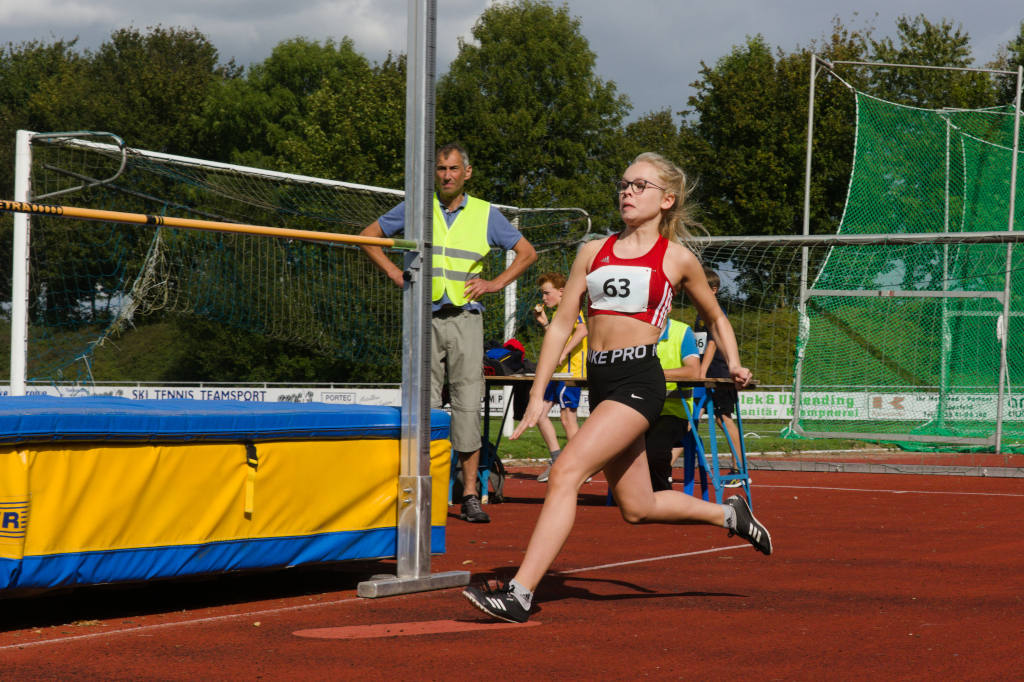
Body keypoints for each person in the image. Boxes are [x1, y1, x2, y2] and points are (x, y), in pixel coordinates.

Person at [462, 152, 771, 623]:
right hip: (601, 380)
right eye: (624, 183)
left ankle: (520, 594)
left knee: (566, 472)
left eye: (640, 186)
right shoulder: (593, 251)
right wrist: (540, 391)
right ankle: (731, 515)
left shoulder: (676, 258)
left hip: (640, 381)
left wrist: (736, 362)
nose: (627, 192)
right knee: (637, 507)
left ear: (666, 200)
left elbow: (716, 316)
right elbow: (562, 324)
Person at [360, 143, 537, 523]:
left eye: (454, 168)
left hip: (466, 320)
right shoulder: (417, 208)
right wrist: (393, 272)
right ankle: (423, 490)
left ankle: (469, 494)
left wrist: (495, 284)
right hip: (423, 318)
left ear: (467, 172)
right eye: (441, 168)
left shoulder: (486, 213)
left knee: (468, 407)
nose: (446, 175)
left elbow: (527, 253)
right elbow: (368, 236)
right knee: (422, 408)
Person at [531, 272, 588, 483]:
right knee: (539, 414)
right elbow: (554, 340)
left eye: (547, 293)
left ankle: (580, 466)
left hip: (570, 372)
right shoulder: (558, 315)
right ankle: (557, 458)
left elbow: (583, 330)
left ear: (562, 292)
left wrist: (564, 353)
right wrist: (545, 323)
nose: (544, 298)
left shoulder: (571, 308)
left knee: (567, 418)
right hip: (557, 373)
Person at [693, 267, 744, 488]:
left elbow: (713, 343)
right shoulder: (700, 312)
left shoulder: (715, 312)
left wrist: (701, 372)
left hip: (719, 373)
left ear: (713, 290)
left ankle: (739, 468)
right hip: (705, 373)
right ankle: (663, 466)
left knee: (723, 418)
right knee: (690, 419)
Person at [646, 318, 701, 491]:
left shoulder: (682, 331)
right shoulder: (634, 331)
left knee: (654, 450)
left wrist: (656, 374)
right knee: (614, 442)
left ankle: (662, 493)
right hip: (640, 409)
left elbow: (693, 371)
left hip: (674, 412)